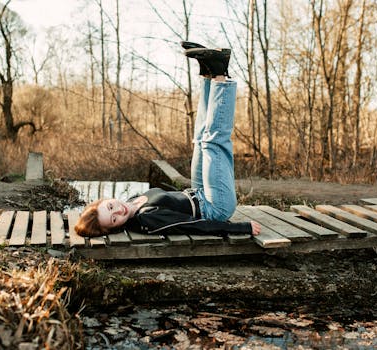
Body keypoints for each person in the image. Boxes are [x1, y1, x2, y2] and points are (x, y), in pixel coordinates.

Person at [75, 41, 261, 237]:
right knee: (211, 142)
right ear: (116, 227)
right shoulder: (146, 219)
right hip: (215, 207)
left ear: (107, 199)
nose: (118, 210)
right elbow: (192, 226)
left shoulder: (132, 199)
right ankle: (219, 73)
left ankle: (208, 73)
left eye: (110, 206)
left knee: (199, 138)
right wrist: (240, 228)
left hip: (198, 192)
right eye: (114, 219)